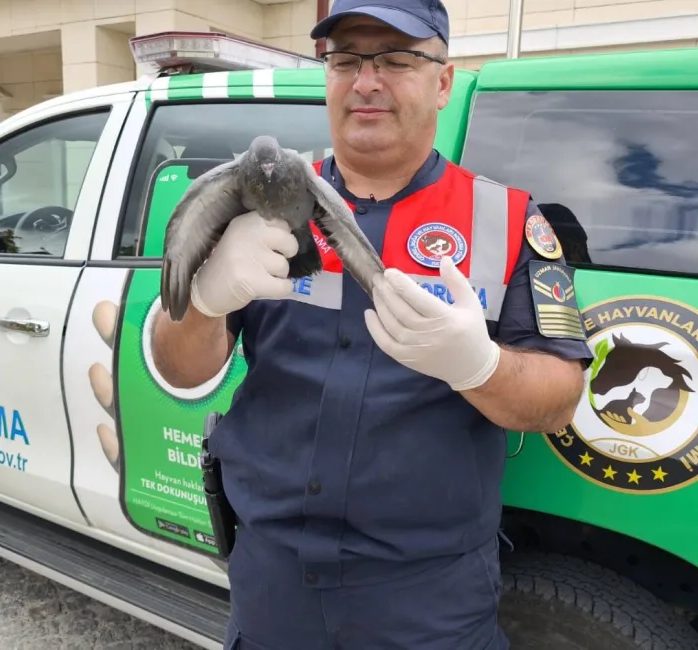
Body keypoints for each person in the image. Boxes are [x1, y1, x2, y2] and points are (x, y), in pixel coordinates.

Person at [151, 0, 594, 647]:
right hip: (272, 588)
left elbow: (558, 400)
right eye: (347, 59)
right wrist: (205, 301)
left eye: (395, 59)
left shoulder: (509, 221)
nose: (366, 81)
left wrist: (481, 366)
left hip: (428, 603)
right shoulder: (258, 200)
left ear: (443, 80)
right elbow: (177, 366)